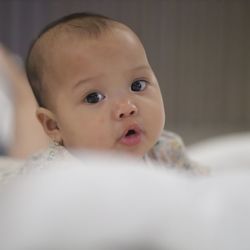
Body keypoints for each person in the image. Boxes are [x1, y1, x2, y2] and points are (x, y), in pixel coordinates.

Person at [2, 12, 202, 182]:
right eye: (94, 97)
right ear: (54, 125)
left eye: (137, 85)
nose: (127, 107)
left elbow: (204, 193)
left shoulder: (166, 150)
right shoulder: (55, 179)